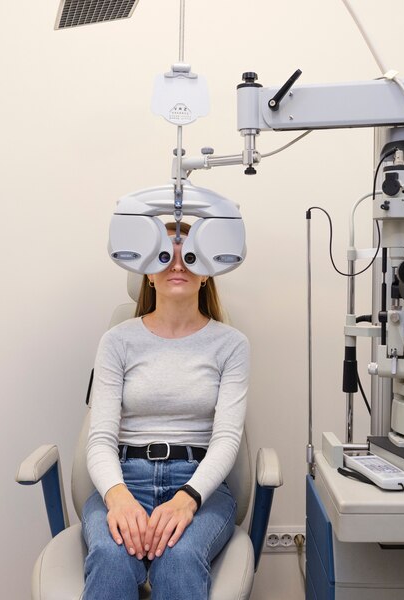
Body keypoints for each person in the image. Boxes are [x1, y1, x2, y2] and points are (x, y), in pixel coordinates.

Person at [82, 221, 249, 600]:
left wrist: (187, 499)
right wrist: (118, 497)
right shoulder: (117, 340)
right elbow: (101, 438)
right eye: (164, 255)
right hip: (126, 478)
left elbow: (227, 439)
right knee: (111, 556)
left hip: (197, 483)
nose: (177, 264)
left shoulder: (231, 344)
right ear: (148, 273)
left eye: (190, 255)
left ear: (206, 273)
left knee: (179, 558)